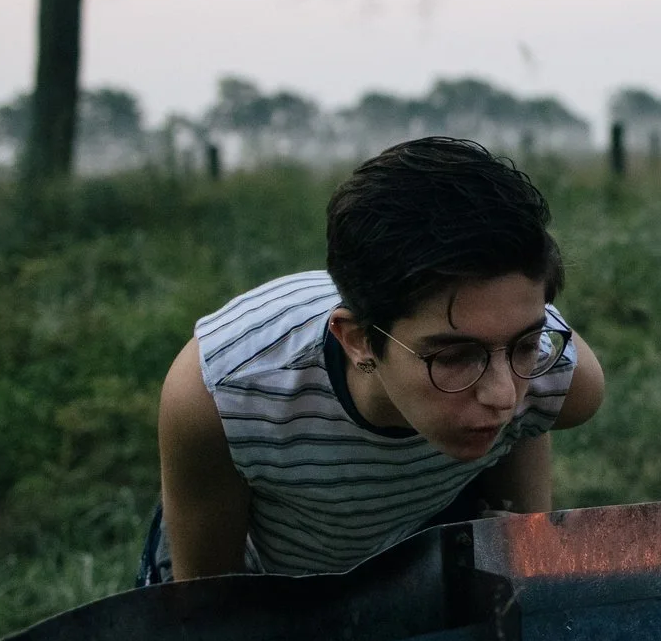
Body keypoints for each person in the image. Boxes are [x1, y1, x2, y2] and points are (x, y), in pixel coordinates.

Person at [137, 137, 605, 584]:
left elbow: (527, 426)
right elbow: (207, 611)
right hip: (265, 580)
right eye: (455, 357)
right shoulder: (227, 394)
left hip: (418, 554)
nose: (505, 397)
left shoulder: (558, 374)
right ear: (359, 340)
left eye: (525, 344)